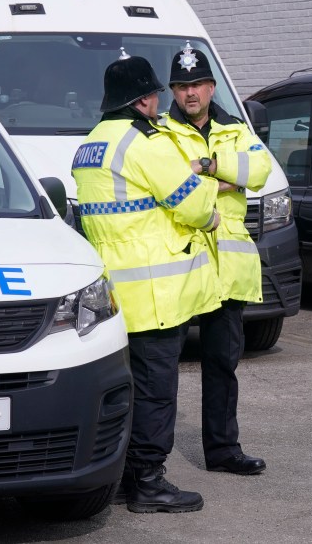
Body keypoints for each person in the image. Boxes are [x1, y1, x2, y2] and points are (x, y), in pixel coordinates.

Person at [71, 52, 222, 514]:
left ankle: (122, 476)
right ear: (142, 100)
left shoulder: (91, 143)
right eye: (155, 93)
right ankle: (150, 482)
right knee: (157, 391)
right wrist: (210, 211)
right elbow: (191, 204)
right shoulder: (146, 142)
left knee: (125, 392)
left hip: (114, 292)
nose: (160, 100)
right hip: (155, 292)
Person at [160, 42, 272, 476]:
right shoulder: (162, 132)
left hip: (226, 268)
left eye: (197, 85)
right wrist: (228, 180)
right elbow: (167, 187)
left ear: (211, 87)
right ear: (173, 89)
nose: (190, 94)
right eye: (182, 86)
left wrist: (206, 166)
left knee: (223, 364)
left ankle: (223, 451)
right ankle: (151, 462)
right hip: (181, 264)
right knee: (162, 369)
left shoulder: (234, 128)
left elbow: (261, 172)